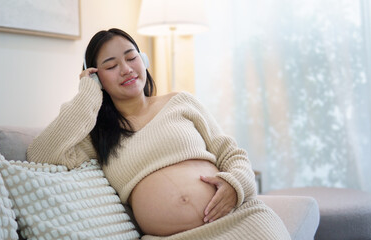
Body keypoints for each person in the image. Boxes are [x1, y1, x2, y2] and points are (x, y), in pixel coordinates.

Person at [27, 28, 290, 239]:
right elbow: (40, 154)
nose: (127, 69)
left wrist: (237, 186)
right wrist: (86, 93)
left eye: (131, 58)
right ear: (97, 78)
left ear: (144, 61)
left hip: (240, 220)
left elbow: (231, 153)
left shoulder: (180, 102)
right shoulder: (98, 136)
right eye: (111, 65)